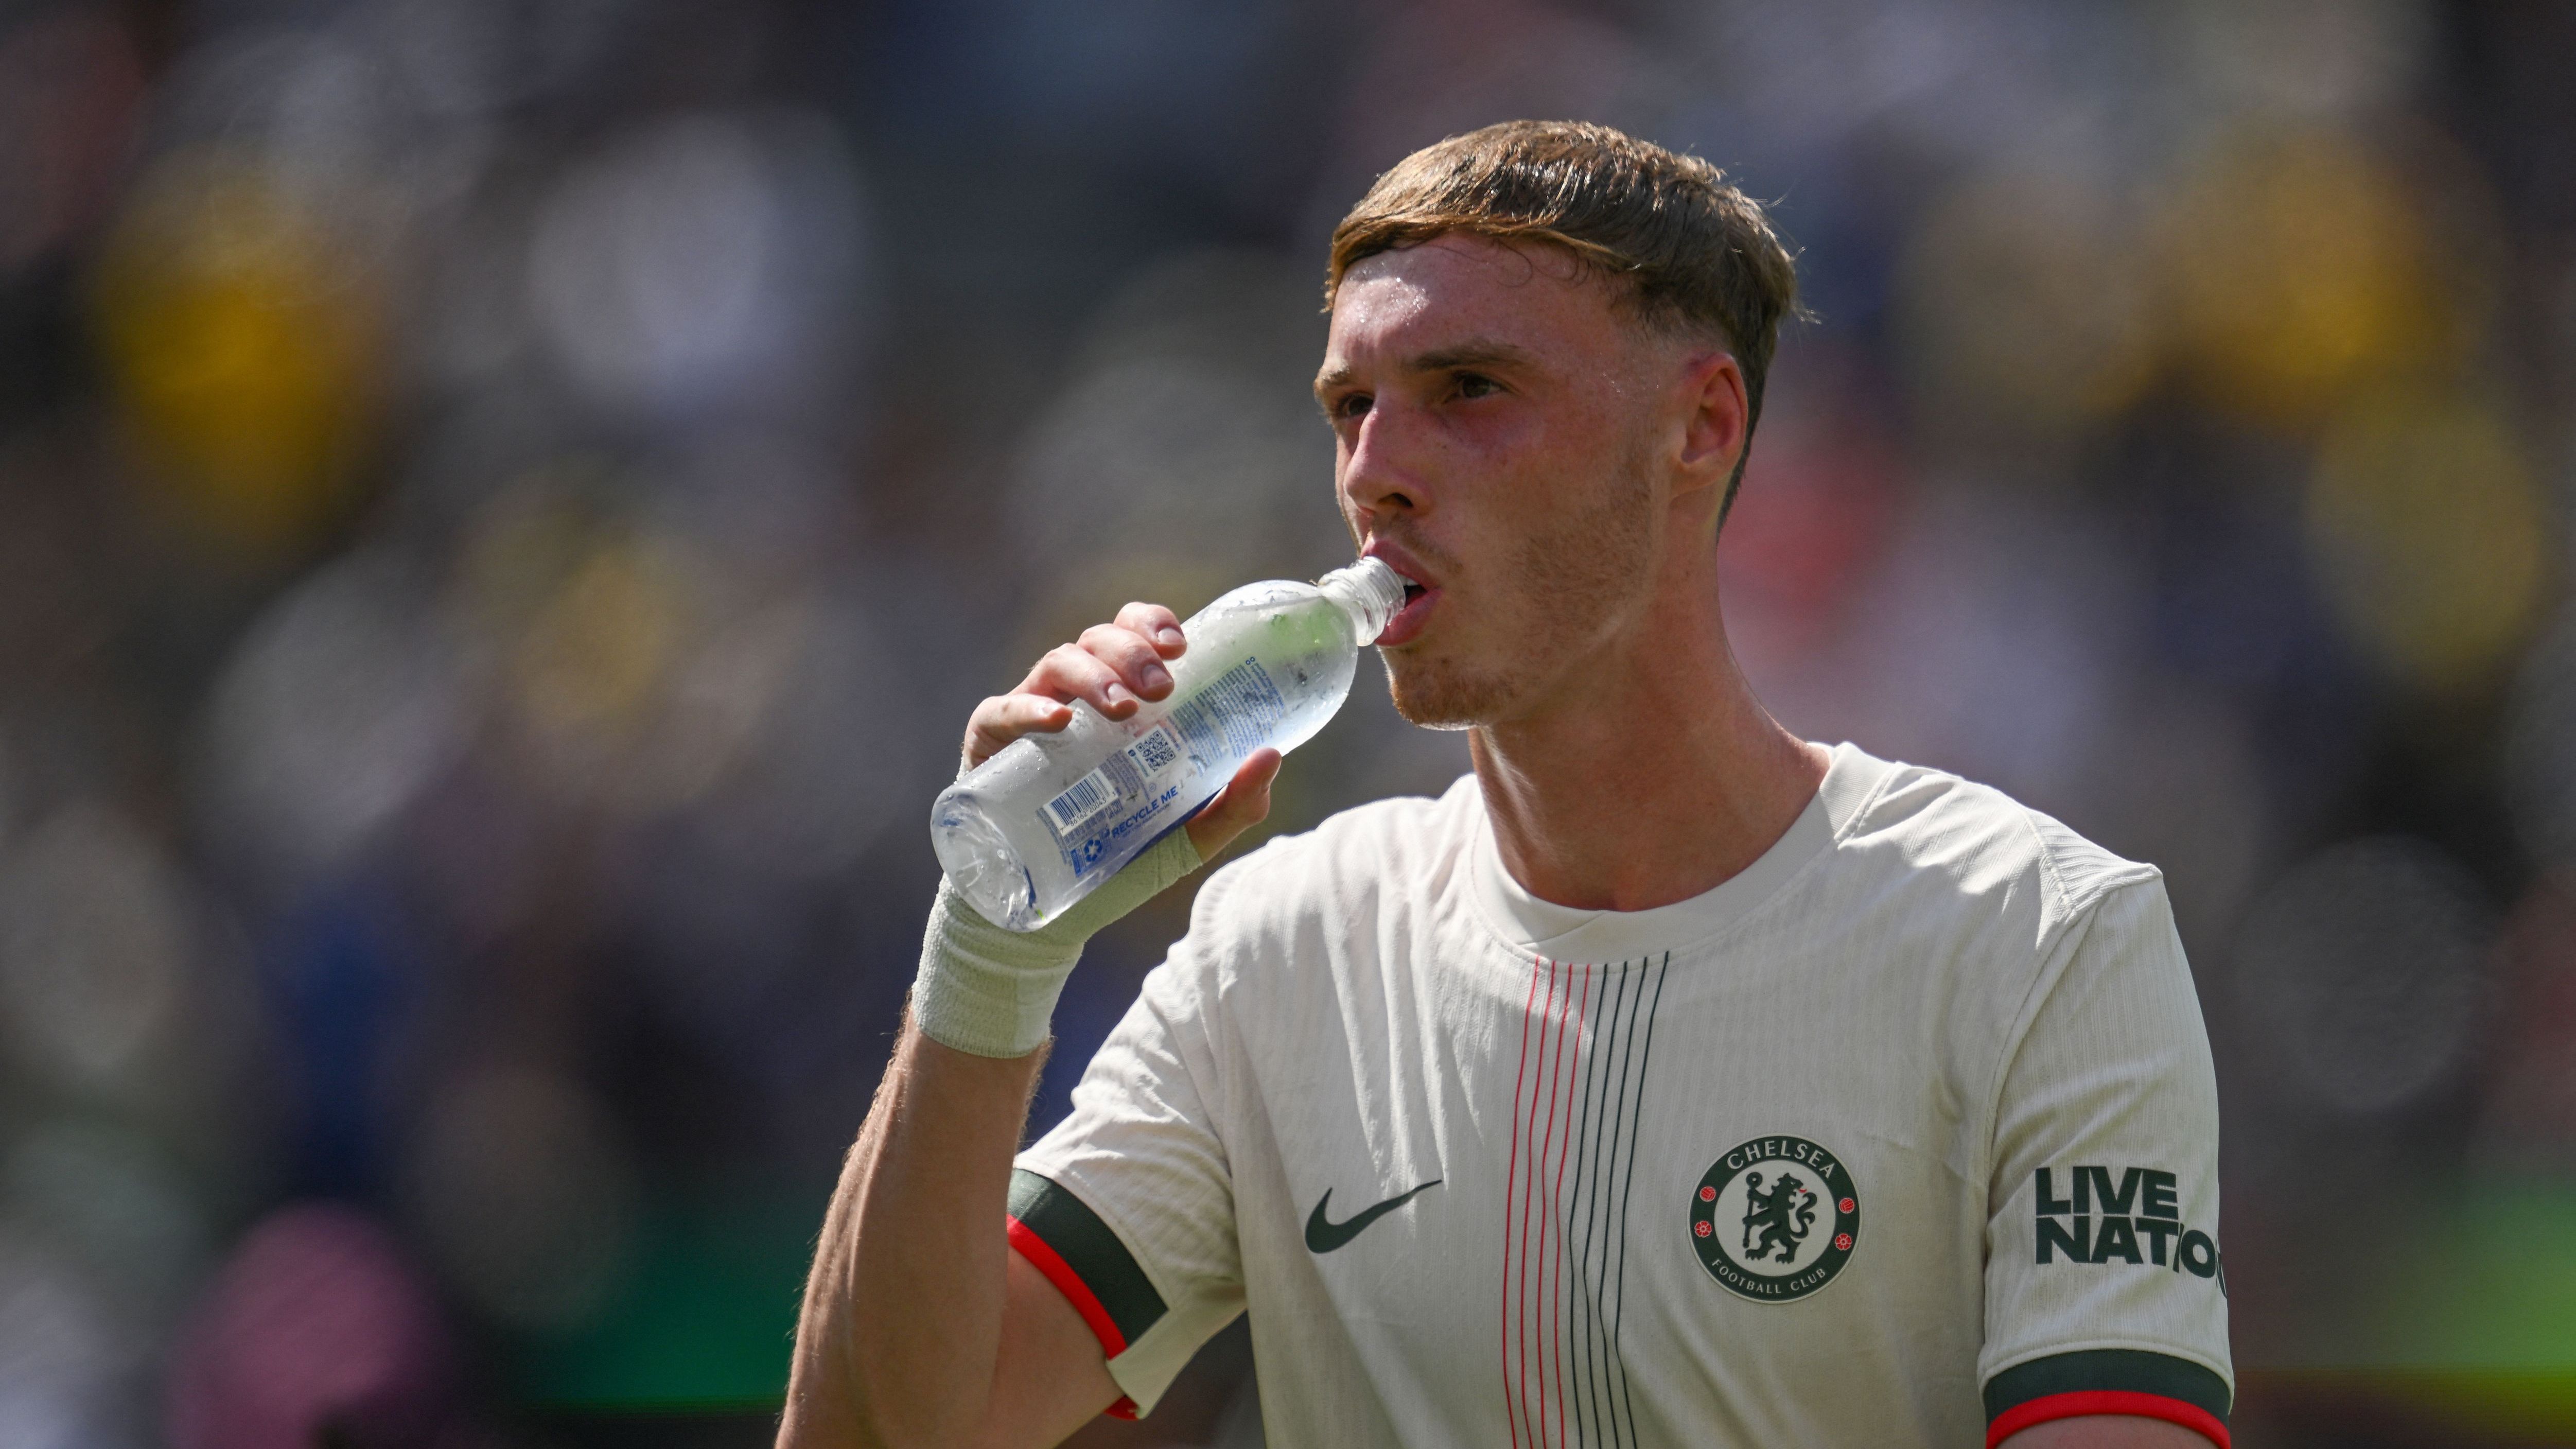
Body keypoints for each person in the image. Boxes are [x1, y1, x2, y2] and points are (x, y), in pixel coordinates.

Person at [780, 120, 2231, 1449]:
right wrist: (988, 961)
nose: (1377, 473)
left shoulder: (2043, 938)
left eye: (1469, 391)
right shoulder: (1282, 951)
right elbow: (892, 1434)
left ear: (1702, 424)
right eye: (1352, 407)